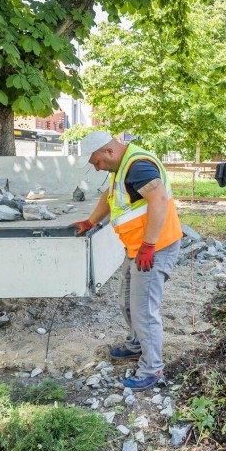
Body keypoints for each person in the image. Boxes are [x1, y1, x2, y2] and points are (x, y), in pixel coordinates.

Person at [72, 131, 182, 390]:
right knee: (126, 301)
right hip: (139, 248)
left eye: (96, 162)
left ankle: (151, 368)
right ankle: (136, 345)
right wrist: (90, 221)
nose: (97, 168)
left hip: (155, 248)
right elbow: (110, 198)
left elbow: (159, 200)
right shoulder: (122, 167)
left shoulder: (138, 167)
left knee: (144, 309)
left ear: (108, 152)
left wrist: (149, 246)